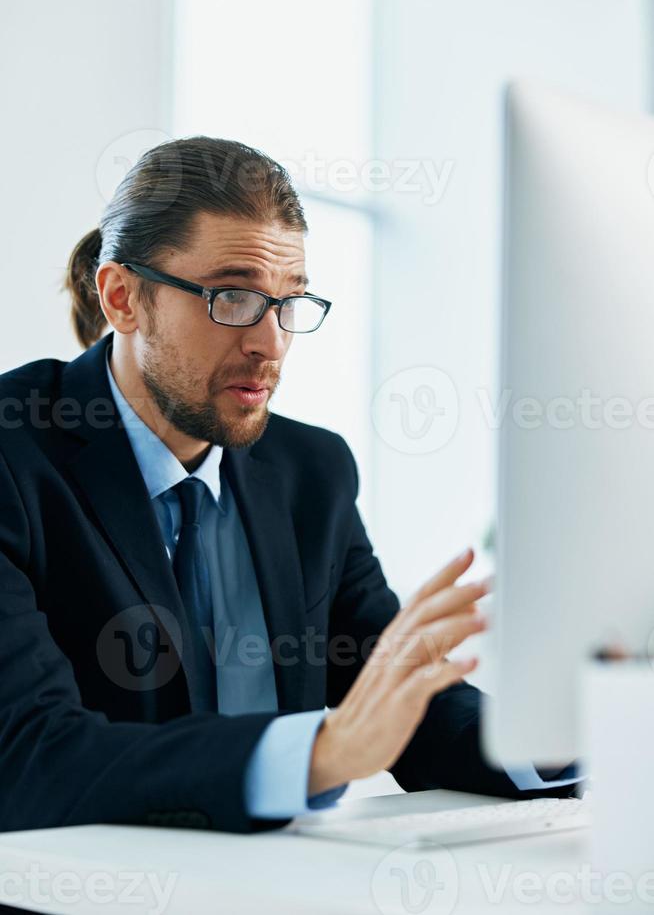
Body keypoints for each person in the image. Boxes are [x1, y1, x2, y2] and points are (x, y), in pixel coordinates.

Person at [0, 137, 577, 834]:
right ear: (123, 298)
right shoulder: (16, 458)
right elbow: (32, 759)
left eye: (290, 303)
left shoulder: (312, 473)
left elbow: (391, 703)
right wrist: (320, 754)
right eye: (234, 298)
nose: (271, 343)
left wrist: (567, 744)